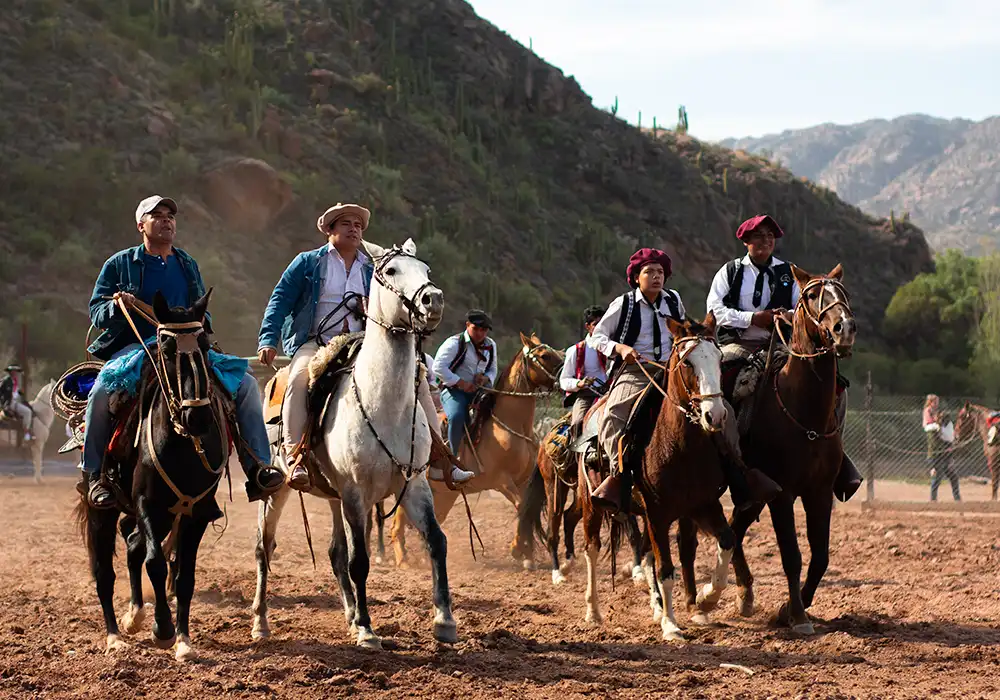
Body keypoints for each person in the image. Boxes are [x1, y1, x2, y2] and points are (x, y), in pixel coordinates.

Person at [81, 194, 284, 508]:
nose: (166, 220)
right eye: (157, 215)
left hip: (185, 345)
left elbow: (204, 311)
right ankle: (94, 475)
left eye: (170, 216)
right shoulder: (119, 264)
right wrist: (119, 306)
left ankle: (257, 467)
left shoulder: (186, 263)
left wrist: (196, 324)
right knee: (103, 388)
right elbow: (96, 311)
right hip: (137, 346)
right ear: (140, 225)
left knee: (244, 385)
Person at [258, 203, 473, 490]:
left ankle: (439, 458)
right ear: (329, 230)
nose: (354, 229)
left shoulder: (373, 269)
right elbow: (280, 299)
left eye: (358, 225)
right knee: (298, 379)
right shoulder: (308, 263)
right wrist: (268, 338)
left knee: (418, 378)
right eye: (346, 223)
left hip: (362, 344)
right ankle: (295, 455)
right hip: (316, 342)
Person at [588, 247, 780, 514]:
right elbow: (596, 337)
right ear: (636, 277)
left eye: (660, 272)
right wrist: (620, 349)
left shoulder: (673, 299)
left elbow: (682, 331)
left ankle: (739, 473)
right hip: (636, 372)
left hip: (672, 371)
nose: (656, 277)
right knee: (612, 414)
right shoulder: (624, 304)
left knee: (721, 409)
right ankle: (619, 478)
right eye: (649, 272)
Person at [706, 214, 863, 502]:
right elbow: (715, 311)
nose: (766, 241)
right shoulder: (729, 272)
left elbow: (802, 308)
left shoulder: (788, 273)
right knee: (728, 388)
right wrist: (754, 317)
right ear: (746, 241)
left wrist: (787, 316)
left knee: (835, 389)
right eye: (759, 237)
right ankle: (730, 459)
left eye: (770, 237)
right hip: (738, 344)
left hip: (780, 344)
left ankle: (834, 456)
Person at [432, 310, 499, 457]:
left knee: (499, 411)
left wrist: (486, 378)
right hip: (454, 391)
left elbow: (493, 370)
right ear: (467, 325)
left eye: (484, 330)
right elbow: (438, 367)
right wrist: (461, 382)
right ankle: (452, 458)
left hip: (479, 391)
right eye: (476, 329)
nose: (480, 334)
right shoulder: (454, 343)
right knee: (456, 416)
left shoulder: (491, 345)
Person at [559, 305, 608, 441]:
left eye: (603, 323)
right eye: (595, 324)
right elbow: (564, 380)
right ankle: (576, 457)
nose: (600, 327)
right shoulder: (576, 350)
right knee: (578, 423)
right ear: (588, 326)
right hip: (587, 395)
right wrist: (579, 383)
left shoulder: (615, 347)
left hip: (611, 392)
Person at [928, 409, 961, 501]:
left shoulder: (948, 427)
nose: (945, 421)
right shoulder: (933, 429)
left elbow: (950, 439)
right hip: (936, 457)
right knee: (937, 478)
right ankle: (933, 500)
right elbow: (935, 445)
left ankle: (957, 499)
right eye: (943, 418)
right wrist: (933, 466)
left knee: (953, 477)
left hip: (946, 456)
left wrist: (951, 448)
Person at [1, 365, 33, 442]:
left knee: (31, 409)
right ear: (10, 372)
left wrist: (20, 393)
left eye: (16, 371)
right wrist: (3, 404)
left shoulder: (14, 381)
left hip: (17, 402)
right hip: (10, 403)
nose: (15, 373)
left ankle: (28, 431)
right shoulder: (5, 381)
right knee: (28, 412)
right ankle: (26, 433)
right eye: (13, 371)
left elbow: (16, 392)